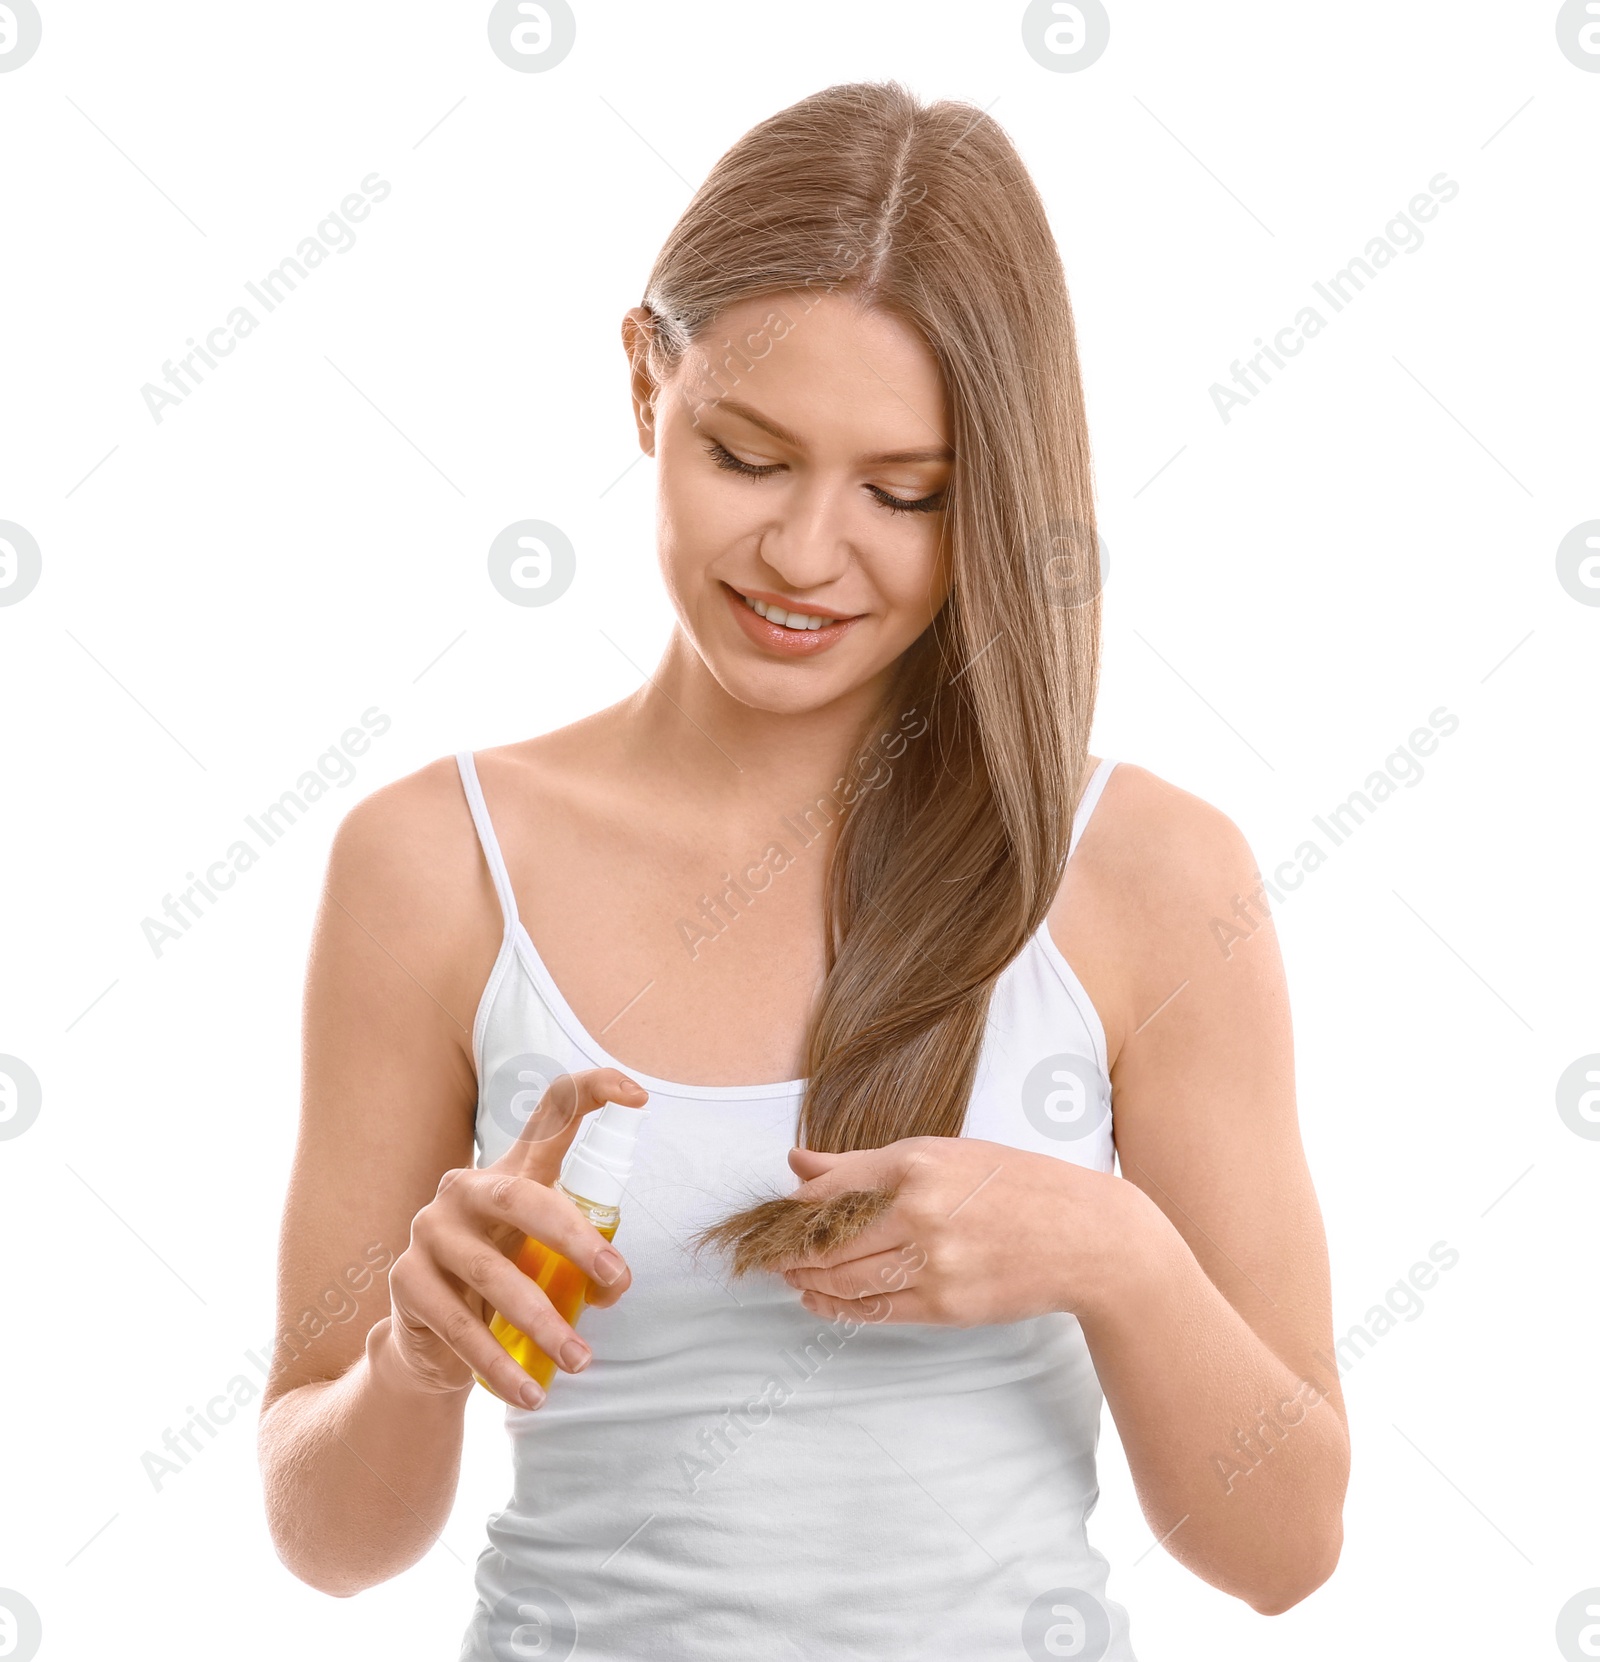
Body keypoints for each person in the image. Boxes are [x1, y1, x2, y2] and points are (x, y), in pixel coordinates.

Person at [257, 80, 1348, 1661]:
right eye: (750, 457)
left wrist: (1111, 1250)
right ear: (647, 383)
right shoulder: (432, 866)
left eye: (904, 492)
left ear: (993, 490)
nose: (805, 552)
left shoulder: (1149, 877)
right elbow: (324, 1539)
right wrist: (410, 1361)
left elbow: (1287, 1547)